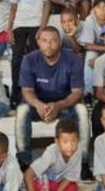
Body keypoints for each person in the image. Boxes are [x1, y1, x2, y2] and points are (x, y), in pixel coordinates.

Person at [15, 27, 87, 169]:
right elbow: (27, 91)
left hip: (64, 105)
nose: (48, 45)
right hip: (38, 105)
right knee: (22, 110)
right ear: (38, 42)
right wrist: (39, 105)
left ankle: (83, 163)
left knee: (82, 110)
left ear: (60, 43)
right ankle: (24, 163)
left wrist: (58, 106)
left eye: (53, 41)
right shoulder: (29, 60)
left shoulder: (72, 59)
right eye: (44, 41)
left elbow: (77, 92)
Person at [8, 0, 52, 105]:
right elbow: (13, 7)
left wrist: (42, 27)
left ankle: (37, 95)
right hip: (19, 25)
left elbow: (47, 3)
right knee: (16, 61)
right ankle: (16, 95)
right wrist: (9, 28)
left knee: (36, 60)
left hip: (36, 24)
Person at [24, 119, 81, 191]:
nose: (70, 146)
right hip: (44, 182)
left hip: (59, 183)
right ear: (57, 141)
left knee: (73, 187)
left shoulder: (77, 152)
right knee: (36, 185)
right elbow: (28, 174)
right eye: (65, 142)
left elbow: (69, 177)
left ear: (78, 140)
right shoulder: (51, 153)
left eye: (73, 141)